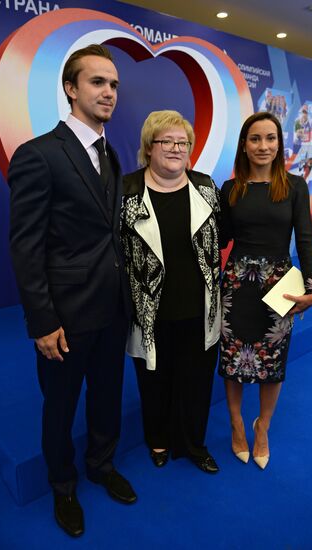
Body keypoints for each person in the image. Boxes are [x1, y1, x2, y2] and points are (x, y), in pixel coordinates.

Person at [8, 44, 136, 538]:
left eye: (114, 85)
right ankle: (63, 485)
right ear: (70, 89)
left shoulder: (110, 152)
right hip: (64, 315)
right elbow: (26, 247)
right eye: (98, 82)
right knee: (59, 407)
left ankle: (101, 465)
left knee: (107, 395)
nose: (109, 93)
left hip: (112, 309)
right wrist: (42, 321)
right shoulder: (38, 154)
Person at [219, 112, 312, 469]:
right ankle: (236, 424)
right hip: (235, 287)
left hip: (279, 287)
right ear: (244, 146)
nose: (263, 146)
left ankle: (261, 426)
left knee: (272, 363)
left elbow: (305, 241)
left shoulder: (295, 186)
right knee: (232, 361)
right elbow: (220, 239)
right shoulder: (231, 189)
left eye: (270, 138)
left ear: (279, 144)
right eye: (255, 139)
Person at [121, 110, 221, 473]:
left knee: (196, 383)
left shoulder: (206, 187)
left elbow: (219, 239)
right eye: (167, 142)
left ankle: (194, 444)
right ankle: (158, 440)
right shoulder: (127, 192)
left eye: (183, 142)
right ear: (149, 148)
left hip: (199, 308)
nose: (177, 148)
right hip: (149, 311)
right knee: (154, 381)